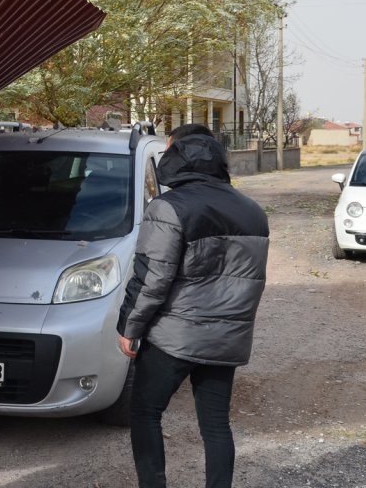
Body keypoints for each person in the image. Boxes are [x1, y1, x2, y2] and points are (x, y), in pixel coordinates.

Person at [116, 123, 270, 488]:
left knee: (145, 412)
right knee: (216, 425)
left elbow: (151, 277)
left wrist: (129, 326)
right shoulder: (253, 212)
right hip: (226, 339)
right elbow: (252, 281)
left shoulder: (168, 207)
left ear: (176, 160)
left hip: (176, 336)